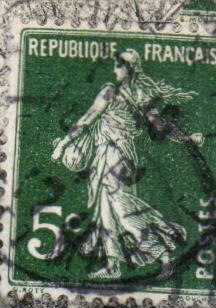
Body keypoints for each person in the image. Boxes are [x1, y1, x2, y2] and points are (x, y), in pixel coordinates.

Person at [51, 49, 203, 279]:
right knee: (106, 211)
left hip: (114, 154)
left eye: (118, 66)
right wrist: (187, 139)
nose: (114, 70)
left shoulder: (110, 91)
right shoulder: (141, 98)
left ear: (128, 69)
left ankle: (163, 253)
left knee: (121, 207)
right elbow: (162, 125)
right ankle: (113, 266)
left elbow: (86, 119)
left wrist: (63, 144)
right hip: (123, 155)